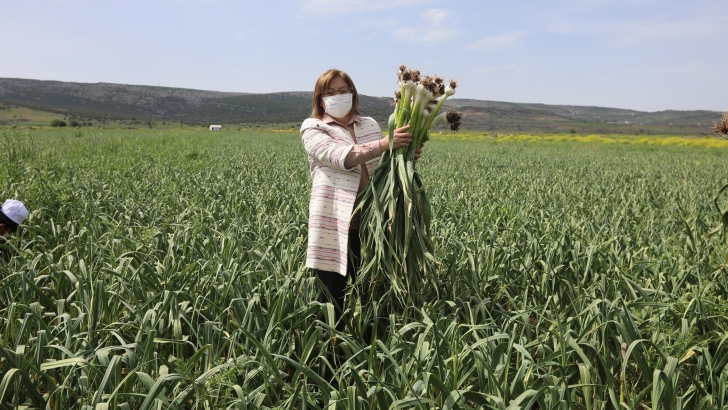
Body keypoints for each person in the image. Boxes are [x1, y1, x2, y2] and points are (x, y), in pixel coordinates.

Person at [300, 69, 422, 330]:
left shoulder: (369, 124)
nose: (337, 96)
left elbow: (383, 166)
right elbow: (337, 156)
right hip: (335, 225)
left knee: (369, 293)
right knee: (332, 298)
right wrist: (383, 144)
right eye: (330, 92)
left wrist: (405, 155)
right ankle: (330, 356)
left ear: (353, 94)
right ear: (320, 99)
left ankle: (368, 351)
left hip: (372, 224)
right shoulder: (313, 127)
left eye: (343, 90)